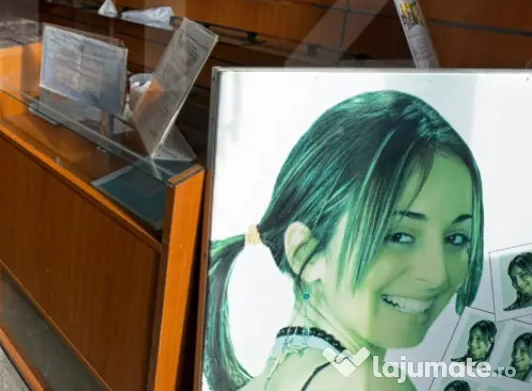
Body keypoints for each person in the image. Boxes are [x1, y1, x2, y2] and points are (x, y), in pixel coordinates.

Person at [204, 91, 485, 391]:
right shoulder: (373, 384)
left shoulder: (269, 379)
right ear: (306, 253)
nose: (437, 275)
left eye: (456, 239)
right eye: (399, 236)